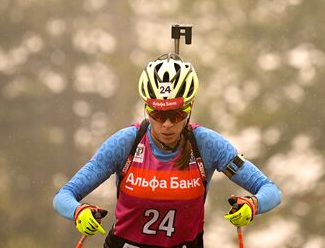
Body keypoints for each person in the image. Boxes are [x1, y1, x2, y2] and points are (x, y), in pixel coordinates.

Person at [53, 52, 282, 248]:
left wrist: (253, 205)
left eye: (177, 114)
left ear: (189, 109)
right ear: (146, 109)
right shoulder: (125, 142)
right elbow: (64, 196)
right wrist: (78, 212)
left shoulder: (207, 144)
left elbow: (270, 191)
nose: (167, 124)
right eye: (158, 114)